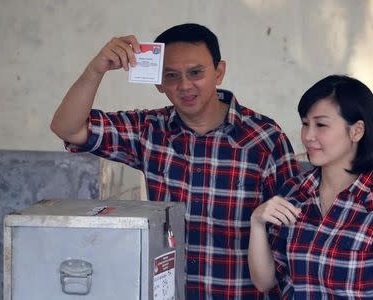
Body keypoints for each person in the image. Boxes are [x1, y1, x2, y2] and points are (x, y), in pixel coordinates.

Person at [50, 23, 300, 299]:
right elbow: (69, 128)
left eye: (196, 72)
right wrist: (96, 69)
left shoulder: (263, 138)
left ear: (219, 72)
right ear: (159, 82)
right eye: (171, 75)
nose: (184, 85)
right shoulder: (149, 130)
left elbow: (290, 237)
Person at [248, 75, 373, 299]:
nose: (308, 136)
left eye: (321, 125)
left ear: (356, 131)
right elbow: (265, 282)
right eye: (305, 124)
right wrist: (257, 222)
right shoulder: (293, 193)